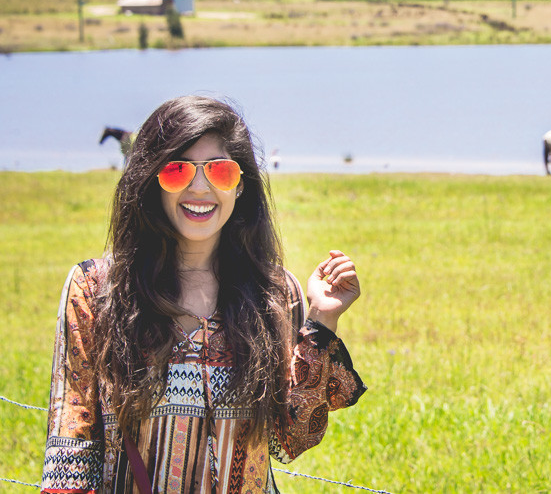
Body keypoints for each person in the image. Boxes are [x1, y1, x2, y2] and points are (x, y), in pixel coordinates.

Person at [42, 96, 366, 493]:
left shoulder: (276, 294)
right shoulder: (96, 290)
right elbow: (70, 455)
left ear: (241, 185)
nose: (200, 187)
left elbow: (290, 440)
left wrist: (322, 319)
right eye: (177, 170)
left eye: (220, 171)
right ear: (151, 180)